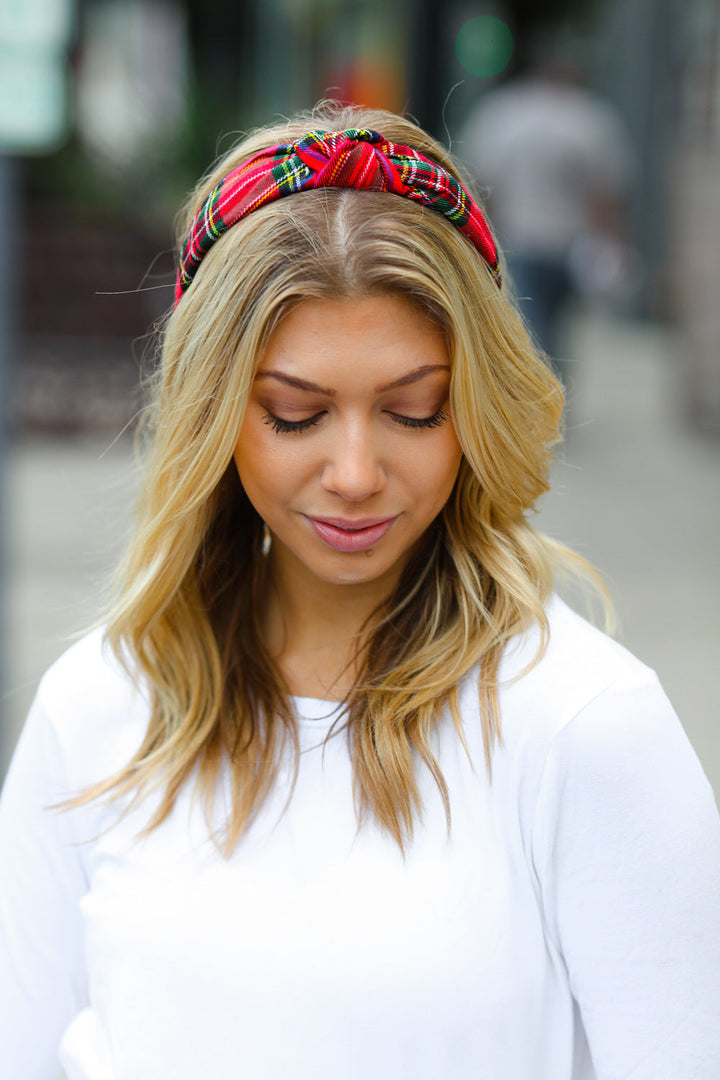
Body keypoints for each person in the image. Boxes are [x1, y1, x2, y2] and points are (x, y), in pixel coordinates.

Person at [1, 102, 719, 1080]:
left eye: (412, 411)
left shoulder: (586, 729)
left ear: (473, 405)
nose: (354, 472)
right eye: (296, 415)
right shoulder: (97, 710)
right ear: (215, 412)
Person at [460, 54, 635, 382]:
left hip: (519, 239)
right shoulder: (589, 118)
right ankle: (551, 391)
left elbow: (481, 186)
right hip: (570, 241)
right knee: (557, 326)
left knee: (532, 324)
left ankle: (541, 394)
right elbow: (605, 193)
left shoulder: (503, 115)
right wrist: (612, 242)